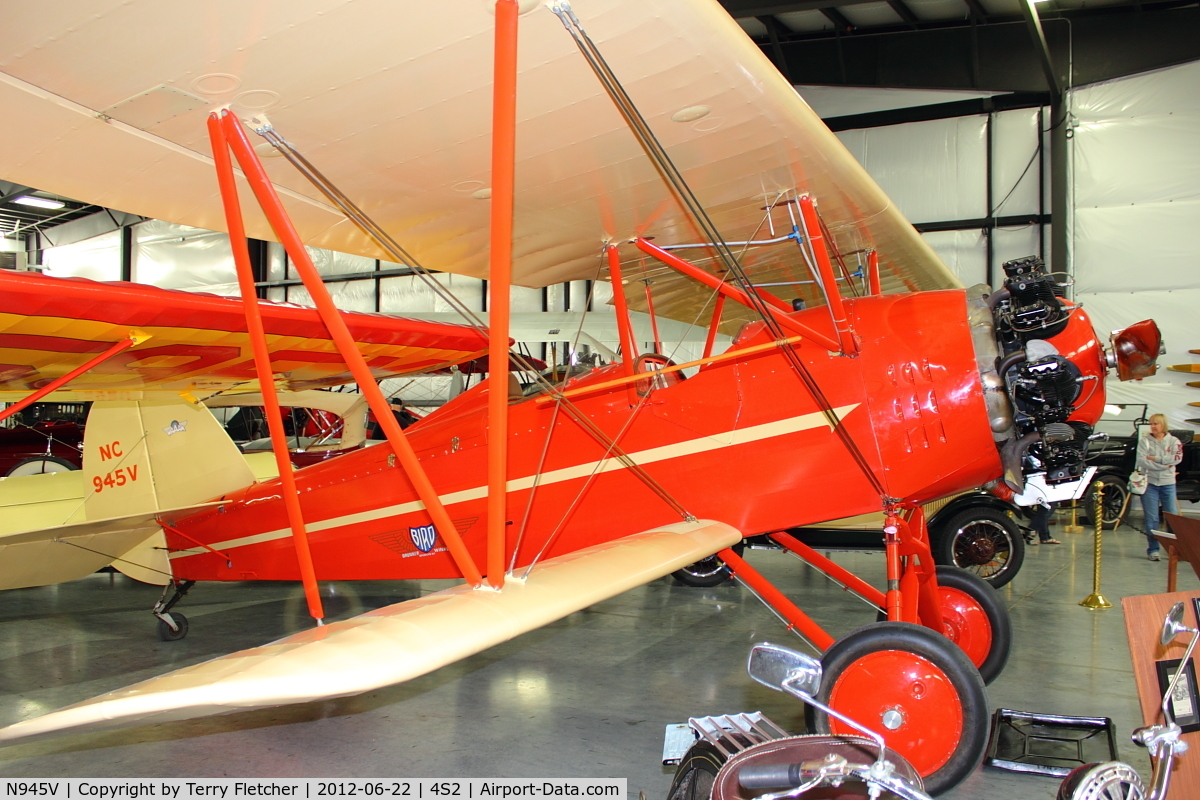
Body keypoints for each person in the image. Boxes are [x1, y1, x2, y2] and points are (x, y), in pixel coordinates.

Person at [1138, 413, 1183, 561]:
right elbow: (1142, 461)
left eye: (1156, 423)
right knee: (1152, 519)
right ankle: (1153, 549)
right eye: (1151, 423)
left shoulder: (1174, 441)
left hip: (1168, 484)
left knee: (1172, 517)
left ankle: (1175, 549)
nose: (1153, 426)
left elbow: (1176, 459)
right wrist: (1164, 465)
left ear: (1163, 425)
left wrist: (1156, 459)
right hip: (1150, 483)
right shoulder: (1145, 441)